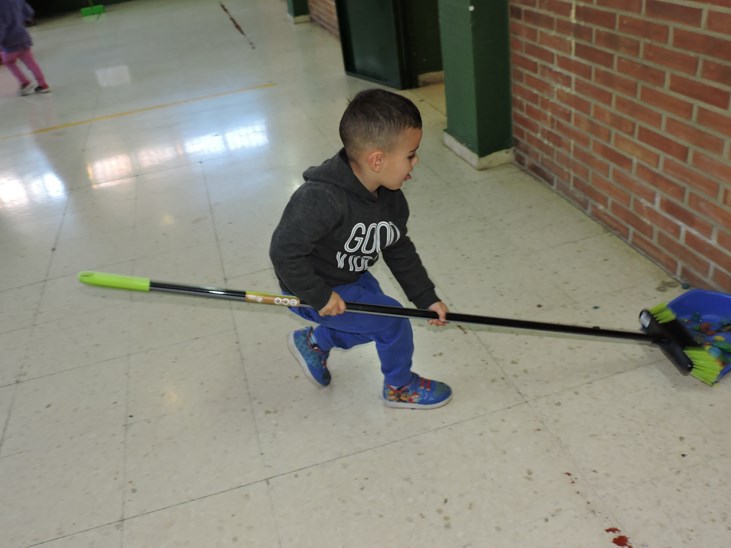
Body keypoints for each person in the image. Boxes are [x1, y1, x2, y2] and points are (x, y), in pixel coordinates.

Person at [270, 88, 452, 409]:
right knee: (392, 321)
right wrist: (319, 296)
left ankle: (314, 342)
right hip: (309, 287)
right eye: (410, 154)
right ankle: (400, 386)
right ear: (377, 160)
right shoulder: (321, 198)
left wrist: (425, 297)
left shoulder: (390, 196)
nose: (416, 161)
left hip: (351, 276)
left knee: (373, 324)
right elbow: (284, 251)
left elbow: (398, 247)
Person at [0, 0, 50, 96]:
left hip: (9, 41)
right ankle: (43, 85)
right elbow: (29, 12)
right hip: (23, 36)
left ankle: (25, 83)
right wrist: (20, 21)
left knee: (9, 62)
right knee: (31, 62)